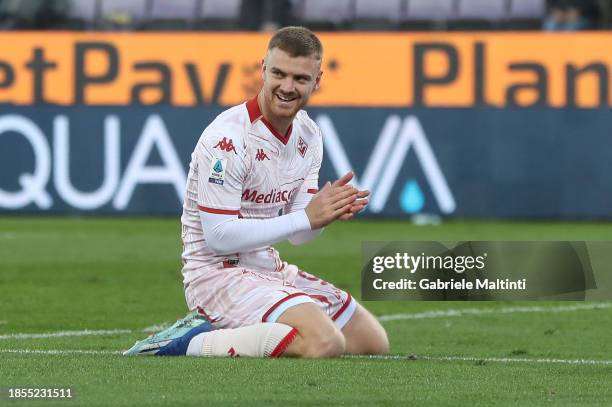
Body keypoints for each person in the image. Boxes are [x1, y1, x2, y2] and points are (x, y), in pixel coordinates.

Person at [124, 26, 389, 358]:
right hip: (216, 276)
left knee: (371, 342)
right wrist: (306, 218)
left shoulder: (308, 134)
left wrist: (322, 217)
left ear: (317, 80)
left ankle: (244, 329)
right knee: (325, 343)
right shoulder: (228, 138)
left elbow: (298, 236)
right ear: (262, 69)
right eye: (278, 73)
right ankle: (188, 341)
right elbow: (219, 236)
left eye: (300, 79)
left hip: (267, 269)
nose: (287, 87)